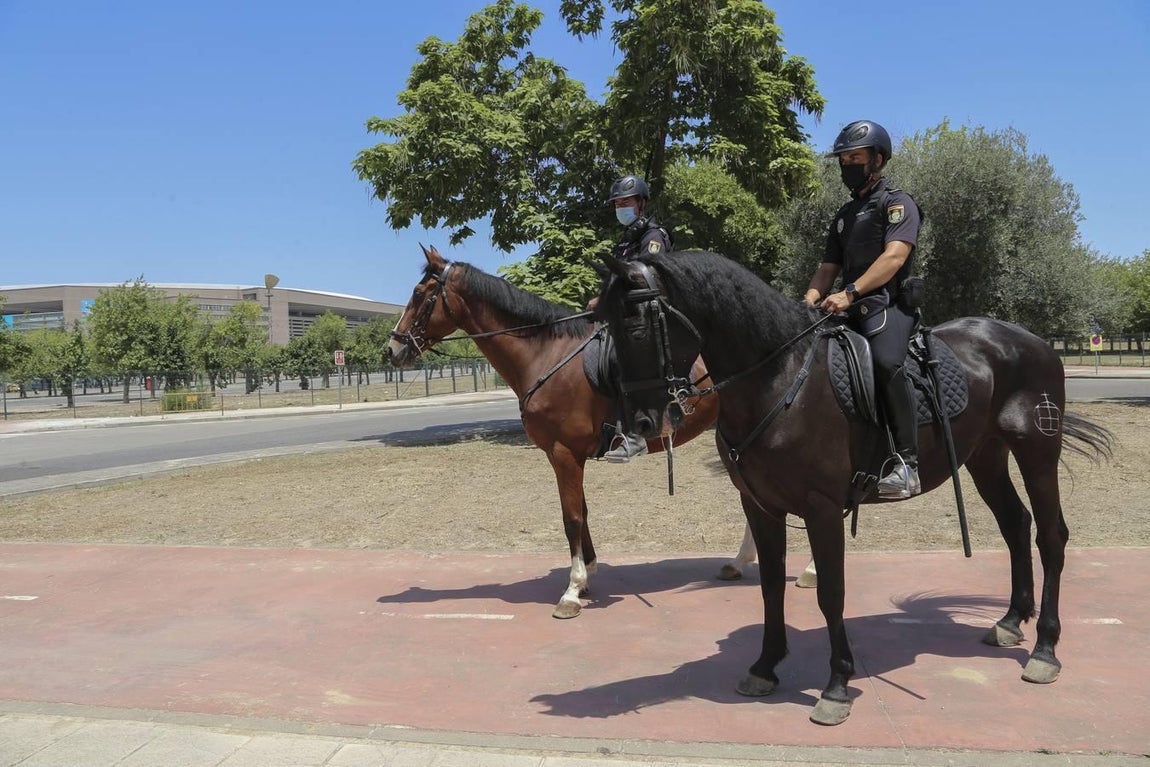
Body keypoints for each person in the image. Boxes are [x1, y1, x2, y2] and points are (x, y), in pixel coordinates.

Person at [804, 120, 923, 498]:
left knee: (886, 363)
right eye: (843, 160)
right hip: (848, 307)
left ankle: (907, 464)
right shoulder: (844, 215)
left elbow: (894, 257)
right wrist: (807, 300)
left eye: (855, 158)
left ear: (878, 160)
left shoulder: (897, 203)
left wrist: (850, 293)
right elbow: (827, 268)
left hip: (886, 305)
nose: (847, 166)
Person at [602, 174, 673, 463]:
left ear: (641, 203)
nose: (621, 207)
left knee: (621, 358)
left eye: (626, 202)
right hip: (626, 316)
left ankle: (636, 435)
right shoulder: (626, 241)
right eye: (617, 203)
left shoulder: (652, 238)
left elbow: (647, 277)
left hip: (651, 317)